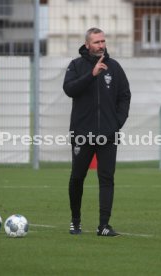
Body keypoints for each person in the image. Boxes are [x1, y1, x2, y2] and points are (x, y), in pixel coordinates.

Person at [63, 27, 131, 236]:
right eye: (96, 42)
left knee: (107, 179)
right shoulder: (76, 65)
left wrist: (116, 123)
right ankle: (75, 221)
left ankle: (103, 225)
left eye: (103, 41)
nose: (101, 45)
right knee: (77, 177)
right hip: (82, 134)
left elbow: (125, 96)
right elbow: (69, 89)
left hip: (108, 134)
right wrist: (91, 76)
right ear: (87, 45)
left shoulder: (115, 68)